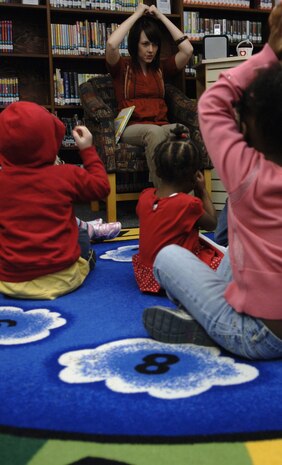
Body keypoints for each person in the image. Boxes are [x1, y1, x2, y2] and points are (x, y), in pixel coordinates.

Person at [143, 3, 282, 360]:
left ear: (250, 128)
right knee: (236, 241)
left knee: (168, 257)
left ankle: (209, 330)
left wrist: (273, 50)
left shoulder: (249, 173)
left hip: (259, 335)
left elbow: (212, 103)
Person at [0, 101, 111, 300]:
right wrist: (87, 150)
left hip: (11, 282)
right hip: (63, 279)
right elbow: (101, 187)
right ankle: (91, 233)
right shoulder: (65, 175)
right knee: (81, 235)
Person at [105, 3, 194, 187]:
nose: (151, 50)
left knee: (181, 130)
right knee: (154, 132)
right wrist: (137, 15)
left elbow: (188, 50)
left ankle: (185, 192)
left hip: (160, 125)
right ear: (135, 44)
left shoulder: (161, 68)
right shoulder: (122, 68)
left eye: (154, 44)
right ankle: (162, 192)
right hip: (131, 127)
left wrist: (161, 16)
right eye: (145, 44)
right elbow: (112, 44)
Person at [132, 126, 223, 293]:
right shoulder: (188, 204)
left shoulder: (145, 197)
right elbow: (211, 223)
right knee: (225, 263)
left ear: (158, 171)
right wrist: (202, 190)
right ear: (193, 176)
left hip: (147, 275)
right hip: (175, 277)